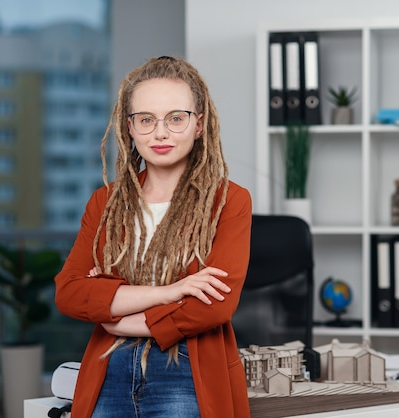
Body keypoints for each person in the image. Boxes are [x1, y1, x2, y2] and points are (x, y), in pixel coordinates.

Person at [54, 56, 252, 418]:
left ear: (198, 125)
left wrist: (114, 313)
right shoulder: (104, 203)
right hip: (108, 370)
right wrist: (171, 292)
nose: (160, 133)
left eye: (176, 118)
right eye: (146, 120)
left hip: (186, 373)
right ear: (129, 127)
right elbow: (68, 293)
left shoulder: (228, 201)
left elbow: (215, 306)